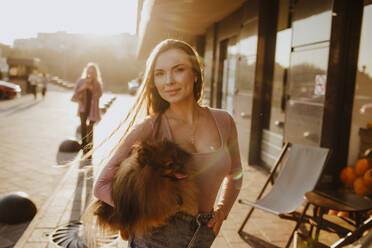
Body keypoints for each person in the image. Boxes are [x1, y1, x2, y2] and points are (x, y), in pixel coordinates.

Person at [93, 39, 243, 248]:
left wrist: (222, 211)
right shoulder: (150, 127)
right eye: (160, 73)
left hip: (205, 233)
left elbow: (236, 174)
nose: (169, 80)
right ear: (153, 81)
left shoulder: (224, 121)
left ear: (196, 74)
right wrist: (147, 211)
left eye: (178, 70)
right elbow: (100, 186)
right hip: (155, 237)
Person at [71, 62, 103, 157]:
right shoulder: (81, 81)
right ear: (86, 71)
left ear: (95, 73)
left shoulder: (97, 83)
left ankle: (90, 147)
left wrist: (92, 89)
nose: (90, 73)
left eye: (92, 72)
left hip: (93, 109)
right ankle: (84, 146)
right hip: (83, 107)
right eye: (89, 71)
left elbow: (99, 95)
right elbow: (75, 92)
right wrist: (84, 87)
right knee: (83, 126)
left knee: (90, 128)